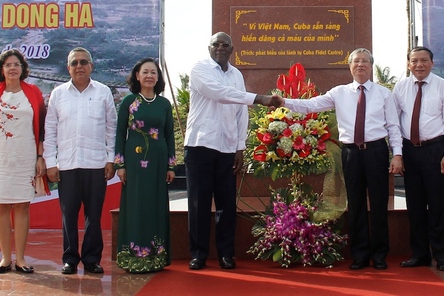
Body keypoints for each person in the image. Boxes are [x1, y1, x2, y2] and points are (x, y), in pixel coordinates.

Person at [282, 48, 402, 270]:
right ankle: (359, 254)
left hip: (376, 151)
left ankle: (379, 254)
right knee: (355, 204)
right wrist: (284, 102)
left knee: (378, 204)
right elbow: (311, 105)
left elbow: (394, 126)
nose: (360, 65)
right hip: (351, 153)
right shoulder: (339, 92)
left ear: (371, 66)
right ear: (350, 66)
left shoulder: (384, 94)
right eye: (356, 61)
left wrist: (397, 155)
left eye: (365, 61)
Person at [186, 32, 281, 271]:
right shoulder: (200, 69)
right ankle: (198, 254)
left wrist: (240, 147)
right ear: (209, 48)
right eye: (215, 44)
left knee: (227, 204)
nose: (220, 48)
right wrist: (259, 98)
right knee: (199, 203)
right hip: (200, 145)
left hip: (228, 147)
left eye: (224, 44)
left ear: (232, 49)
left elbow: (241, 113)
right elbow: (219, 93)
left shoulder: (236, 74)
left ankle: (226, 254)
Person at [43, 47, 118, 275]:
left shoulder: (104, 92)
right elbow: (50, 130)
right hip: (67, 165)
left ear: (91, 66)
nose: (79, 66)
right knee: (69, 216)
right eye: (74, 63)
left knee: (93, 216)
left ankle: (92, 259)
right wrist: (50, 163)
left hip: (96, 164)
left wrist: (110, 159)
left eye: (84, 62)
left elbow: (111, 128)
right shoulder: (58, 94)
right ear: (68, 68)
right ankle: (70, 259)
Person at [0, 49, 48, 274]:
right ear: (1, 69)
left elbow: (42, 129)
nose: (13, 68)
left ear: (23, 69)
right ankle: (5, 259)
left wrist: (40, 156)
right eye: (8, 65)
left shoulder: (33, 93)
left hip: (25, 157)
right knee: (2, 207)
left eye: (17, 64)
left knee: (22, 207)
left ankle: (22, 259)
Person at [392, 46, 444, 272]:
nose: (419, 65)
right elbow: (394, 124)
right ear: (408, 64)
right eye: (414, 61)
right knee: (415, 205)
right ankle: (419, 254)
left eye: (423, 60)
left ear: (432, 62)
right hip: (410, 150)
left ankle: (442, 255)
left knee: (438, 204)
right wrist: (397, 154)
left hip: (435, 150)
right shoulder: (400, 88)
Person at [114, 58, 175, 273]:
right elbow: (120, 133)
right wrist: (120, 165)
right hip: (134, 162)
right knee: (136, 205)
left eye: (153, 72)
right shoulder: (129, 101)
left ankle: (156, 256)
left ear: (158, 78)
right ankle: (134, 256)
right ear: (137, 76)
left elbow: (169, 135)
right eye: (145, 72)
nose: (149, 75)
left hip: (158, 162)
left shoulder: (164, 104)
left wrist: (171, 166)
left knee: (156, 205)